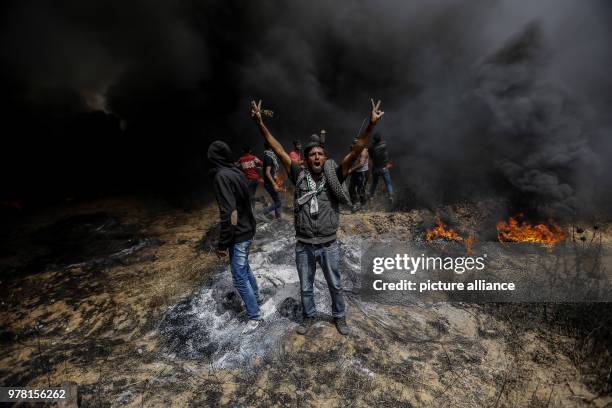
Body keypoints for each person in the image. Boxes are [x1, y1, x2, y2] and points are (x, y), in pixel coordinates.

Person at [250, 99, 384, 336]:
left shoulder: (335, 175)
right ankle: (309, 316)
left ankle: (339, 317)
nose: (316, 157)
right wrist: (261, 124)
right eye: (312, 154)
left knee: (335, 284)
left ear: (325, 157)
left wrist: (371, 125)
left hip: (328, 244)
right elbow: (279, 149)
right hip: (304, 245)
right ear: (306, 159)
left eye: (320, 154)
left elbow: (355, 152)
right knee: (306, 286)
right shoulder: (299, 175)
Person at [207, 141, 263, 334]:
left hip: (238, 234)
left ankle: (255, 316)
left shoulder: (221, 177)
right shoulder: (237, 172)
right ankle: (257, 296)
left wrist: (223, 243)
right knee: (244, 268)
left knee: (239, 277)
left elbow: (229, 212)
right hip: (248, 229)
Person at [368, 133, 394, 207]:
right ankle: (391, 196)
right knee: (388, 183)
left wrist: (373, 144)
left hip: (376, 168)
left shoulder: (371, 148)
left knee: (374, 183)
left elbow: (370, 154)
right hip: (384, 167)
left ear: (374, 140)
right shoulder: (384, 145)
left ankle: (371, 197)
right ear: (380, 139)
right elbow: (383, 142)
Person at [237, 146, 263, 211]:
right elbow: (262, 163)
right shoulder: (254, 158)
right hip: (256, 179)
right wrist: (258, 168)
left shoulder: (241, 159)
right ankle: (253, 209)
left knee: (248, 195)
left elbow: (235, 166)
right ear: (250, 151)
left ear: (243, 151)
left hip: (249, 180)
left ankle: (252, 209)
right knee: (252, 194)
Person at [347, 138, 369, 213]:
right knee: (351, 189)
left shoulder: (363, 151)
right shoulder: (354, 150)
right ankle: (355, 204)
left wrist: (351, 170)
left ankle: (363, 205)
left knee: (361, 190)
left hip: (362, 173)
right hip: (355, 172)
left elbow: (361, 164)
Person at [262, 142, 282, 219]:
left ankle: (278, 218)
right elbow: (267, 173)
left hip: (271, 182)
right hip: (269, 183)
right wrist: (274, 184)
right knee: (278, 202)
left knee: (277, 199)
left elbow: (270, 171)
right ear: (271, 147)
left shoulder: (270, 156)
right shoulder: (269, 157)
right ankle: (264, 212)